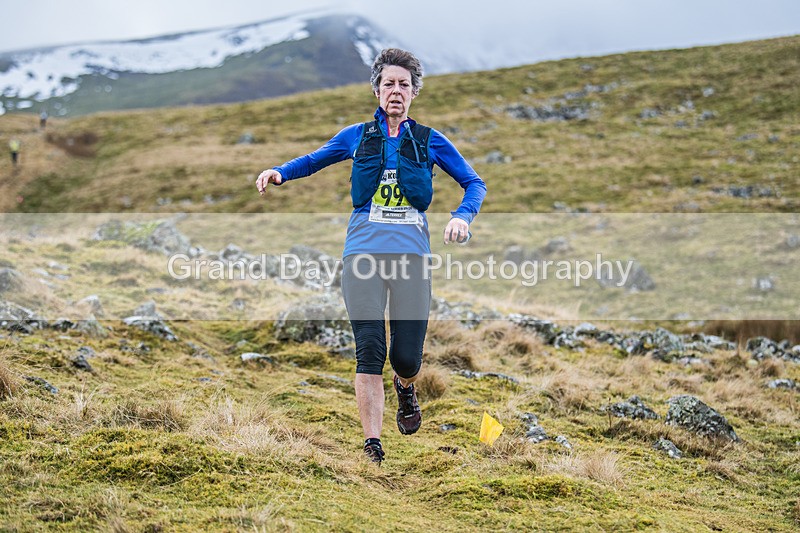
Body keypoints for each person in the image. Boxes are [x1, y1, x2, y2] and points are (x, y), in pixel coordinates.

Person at [256, 48, 486, 465]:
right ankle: (372, 445)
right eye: (388, 84)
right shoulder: (357, 136)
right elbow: (314, 160)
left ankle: (406, 386)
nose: (395, 91)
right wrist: (280, 172)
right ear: (377, 91)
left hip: (411, 259)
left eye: (403, 84)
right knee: (369, 349)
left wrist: (462, 217)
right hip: (361, 254)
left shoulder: (431, 140)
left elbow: (474, 183)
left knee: (406, 358)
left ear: (414, 92)